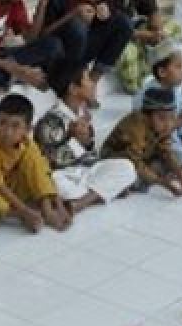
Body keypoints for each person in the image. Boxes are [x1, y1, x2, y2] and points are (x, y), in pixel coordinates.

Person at [33, 62, 137, 215]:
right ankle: (100, 193)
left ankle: (80, 203)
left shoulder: (83, 113)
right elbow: (51, 161)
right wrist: (78, 143)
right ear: (73, 89)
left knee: (127, 167)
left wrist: (87, 142)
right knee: (57, 185)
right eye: (88, 79)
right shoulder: (51, 120)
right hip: (63, 175)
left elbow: (91, 155)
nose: (93, 84)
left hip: (85, 172)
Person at [0, 94, 70, 234]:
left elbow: (43, 172)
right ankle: (19, 215)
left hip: (18, 188)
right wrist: (25, 212)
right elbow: (0, 186)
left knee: (34, 160)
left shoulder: (27, 143)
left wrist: (59, 206)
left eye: (15, 126)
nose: (7, 132)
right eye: (2, 122)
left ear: (27, 129)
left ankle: (47, 209)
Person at [42, 0, 133, 81]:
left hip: (84, 51)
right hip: (60, 56)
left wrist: (105, 16)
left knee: (123, 23)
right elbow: (44, 35)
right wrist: (73, 15)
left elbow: (111, 19)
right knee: (77, 27)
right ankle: (72, 79)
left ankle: (93, 80)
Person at [102, 87, 182, 197]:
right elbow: (135, 162)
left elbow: (166, 152)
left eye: (171, 117)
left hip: (143, 156)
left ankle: (150, 177)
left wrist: (181, 175)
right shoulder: (136, 126)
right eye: (162, 118)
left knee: (167, 161)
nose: (168, 124)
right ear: (146, 116)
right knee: (131, 173)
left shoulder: (160, 127)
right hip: (117, 158)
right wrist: (166, 184)